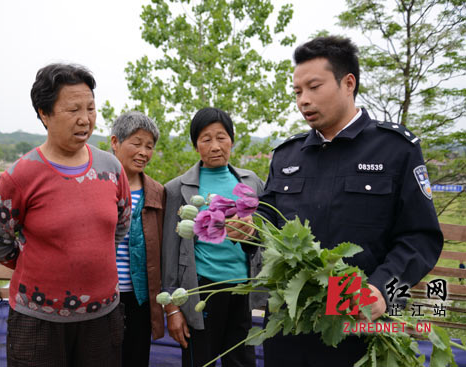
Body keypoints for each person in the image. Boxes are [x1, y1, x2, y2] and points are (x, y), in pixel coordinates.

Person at [255, 36, 443, 366]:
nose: (304, 100)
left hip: (360, 327)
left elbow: (421, 238)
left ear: (348, 83)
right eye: (298, 92)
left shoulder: (396, 149)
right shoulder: (286, 156)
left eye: (314, 87)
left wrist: (383, 290)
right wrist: (244, 229)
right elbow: (265, 225)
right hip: (292, 327)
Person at [0, 63, 131, 366]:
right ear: (43, 114)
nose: (85, 119)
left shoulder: (111, 169)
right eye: (73, 109)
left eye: (90, 108)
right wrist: (38, 261)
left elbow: (120, 225)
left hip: (103, 316)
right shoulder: (22, 176)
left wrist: (88, 252)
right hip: (38, 321)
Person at [161, 107, 264, 367]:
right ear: (196, 145)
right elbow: (169, 254)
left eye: (222, 137)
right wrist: (172, 307)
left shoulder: (251, 182)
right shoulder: (177, 189)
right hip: (202, 291)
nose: (215, 146)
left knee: (242, 361)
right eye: (206, 139)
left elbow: (264, 237)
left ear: (232, 139)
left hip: (243, 291)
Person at [110, 111, 165, 366]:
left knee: (136, 358)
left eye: (149, 146)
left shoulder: (157, 192)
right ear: (115, 143)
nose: (143, 152)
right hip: (102, 297)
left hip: (140, 298)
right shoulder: (98, 185)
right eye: (136, 143)